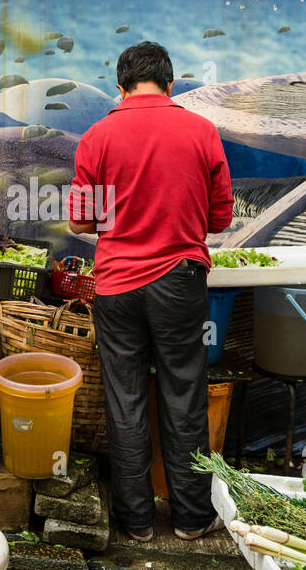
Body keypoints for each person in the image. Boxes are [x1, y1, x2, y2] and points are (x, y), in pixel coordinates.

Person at [67, 41, 234, 541]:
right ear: (171, 83)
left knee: (126, 399)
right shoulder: (201, 131)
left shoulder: (97, 136)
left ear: (119, 88)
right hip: (180, 283)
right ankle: (190, 518)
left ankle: (135, 521)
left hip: (117, 285)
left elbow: (81, 218)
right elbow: (221, 217)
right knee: (184, 395)